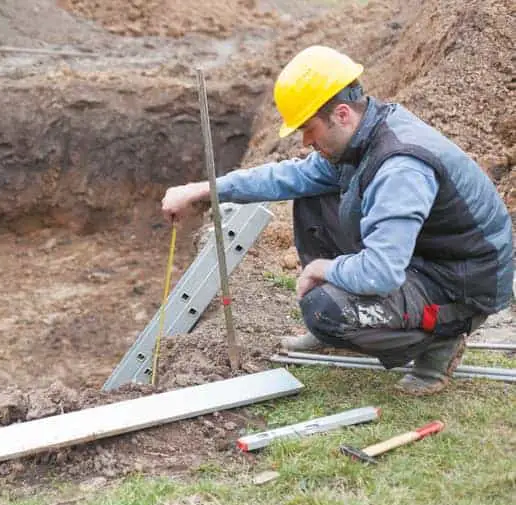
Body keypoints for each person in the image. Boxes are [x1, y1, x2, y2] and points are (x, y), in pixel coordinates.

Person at [161, 45, 514, 396]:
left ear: (342, 114)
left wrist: (321, 270)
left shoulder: (399, 168)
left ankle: (442, 339)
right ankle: (362, 312)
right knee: (311, 193)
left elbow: (381, 271)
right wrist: (203, 189)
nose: (306, 140)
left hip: (460, 282)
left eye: (309, 128)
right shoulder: (364, 137)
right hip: (427, 256)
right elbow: (287, 177)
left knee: (326, 311)